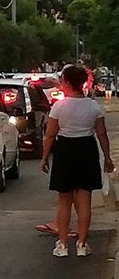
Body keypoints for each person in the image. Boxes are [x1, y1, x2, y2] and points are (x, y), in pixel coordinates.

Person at [40, 65, 114, 257]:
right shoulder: (93, 106)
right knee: (84, 200)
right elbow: (102, 134)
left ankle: (63, 245)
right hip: (86, 150)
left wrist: (44, 157)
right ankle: (81, 244)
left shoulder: (59, 106)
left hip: (65, 150)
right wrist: (107, 158)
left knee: (64, 200)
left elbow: (50, 135)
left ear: (66, 82)